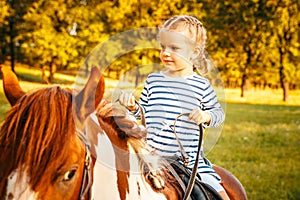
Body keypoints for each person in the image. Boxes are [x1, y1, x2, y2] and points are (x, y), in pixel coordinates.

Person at [118, 15, 229, 199]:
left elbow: (218, 113)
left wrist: (206, 116)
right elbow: (144, 114)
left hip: (188, 162)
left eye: (174, 48)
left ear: (194, 52)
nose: (165, 53)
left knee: (217, 194)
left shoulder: (201, 86)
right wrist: (133, 107)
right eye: (163, 47)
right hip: (150, 157)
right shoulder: (153, 80)